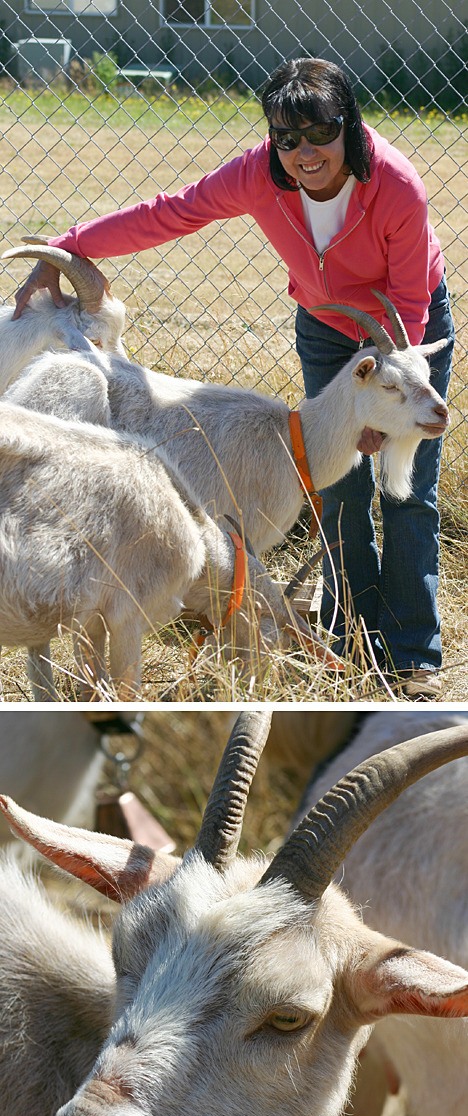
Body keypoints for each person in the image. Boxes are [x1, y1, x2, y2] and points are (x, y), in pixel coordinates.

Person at [14, 56, 454, 696]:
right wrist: (68, 246)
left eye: (321, 131)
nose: (305, 151)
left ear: (348, 126)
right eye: (287, 136)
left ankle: (413, 654)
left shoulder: (394, 186)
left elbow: (409, 308)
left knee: (406, 490)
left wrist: (387, 407)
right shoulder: (260, 174)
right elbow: (174, 212)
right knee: (335, 481)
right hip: (327, 324)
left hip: (401, 331)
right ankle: (349, 632)